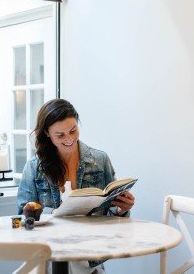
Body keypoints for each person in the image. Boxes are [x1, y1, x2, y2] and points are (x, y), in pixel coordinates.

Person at [16, 98, 135, 274]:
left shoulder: (100, 161)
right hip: (48, 259)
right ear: (47, 133)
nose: (69, 139)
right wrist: (52, 216)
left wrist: (122, 210)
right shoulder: (35, 167)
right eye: (60, 135)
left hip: (89, 259)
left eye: (73, 130)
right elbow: (20, 221)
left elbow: (113, 220)